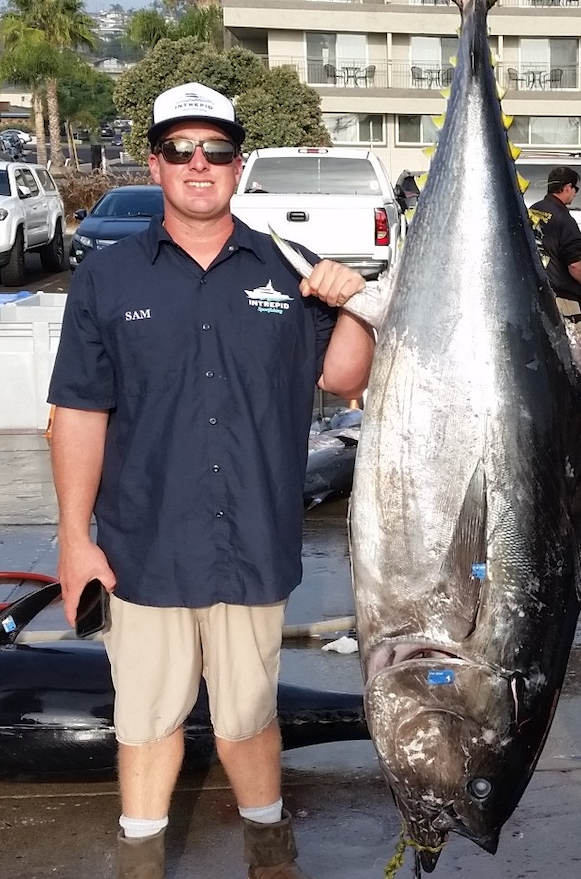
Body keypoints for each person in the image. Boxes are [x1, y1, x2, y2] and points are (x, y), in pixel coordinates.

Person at [47, 82, 375, 879]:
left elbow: (342, 378)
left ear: (237, 165)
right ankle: (141, 857)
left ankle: (269, 849)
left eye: (217, 150)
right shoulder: (108, 277)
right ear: (155, 164)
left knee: (246, 714)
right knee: (147, 718)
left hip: (252, 542)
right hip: (141, 545)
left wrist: (356, 304)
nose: (200, 165)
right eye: (180, 150)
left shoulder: (285, 266)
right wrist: (73, 541)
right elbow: (79, 412)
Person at [529, 166, 581, 418]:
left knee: (542, 351)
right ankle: (570, 406)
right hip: (563, 297)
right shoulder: (564, 220)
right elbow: (574, 264)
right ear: (567, 187)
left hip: (537, 291)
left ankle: (543, 403)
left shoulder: (534, 210)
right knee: (572, 352)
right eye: (575, 189)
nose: (575, 194)